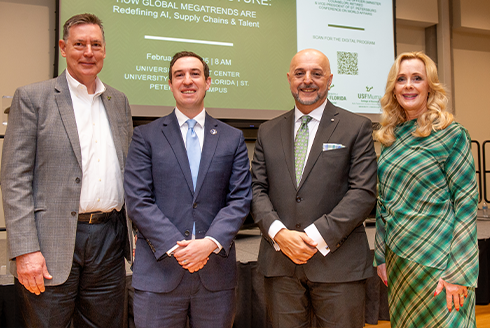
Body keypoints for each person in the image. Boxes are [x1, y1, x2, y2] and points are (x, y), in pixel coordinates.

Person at [1, 13, 133, 328]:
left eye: (96, 45)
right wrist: (25, 249)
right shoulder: (33, 98)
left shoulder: (119, 101)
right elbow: (15, 179)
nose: (88, 52)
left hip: (109, 240)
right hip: (51, 245)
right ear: (63, 47)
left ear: (104, 50)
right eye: (79, 44)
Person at [124, 51, 252, 328]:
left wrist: (208, 244)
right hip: (159, 273)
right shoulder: (145, 136)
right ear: (169, 84)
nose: (187, 81)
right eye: (179, 75)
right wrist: (177, 247)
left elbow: (240, 199)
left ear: (208, 82)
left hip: (215, 276)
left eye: (195, 73)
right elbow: (138, 200)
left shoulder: (232, 138)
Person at [251, 48, 377, 327]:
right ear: (289, 79)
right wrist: (281, 234)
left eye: (316, 73)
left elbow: (363, 192)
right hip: (280, 266)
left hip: (338, 266)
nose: (307, 80)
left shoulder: (357, 127)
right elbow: (256, 189)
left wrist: (313, 237)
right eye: (300, 73)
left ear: (330, 79)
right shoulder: (267, 131)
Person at [374, 51, 479, 327]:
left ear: (430, 86)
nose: (408, 85)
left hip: (440, 263)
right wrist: (381, 255)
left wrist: (460, 272)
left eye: (417, 78)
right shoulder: (390, 138)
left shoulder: (452, 133)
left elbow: (466, 205)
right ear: (393, 89)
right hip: (400, 265)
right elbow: (384, 203)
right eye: (401, 79)